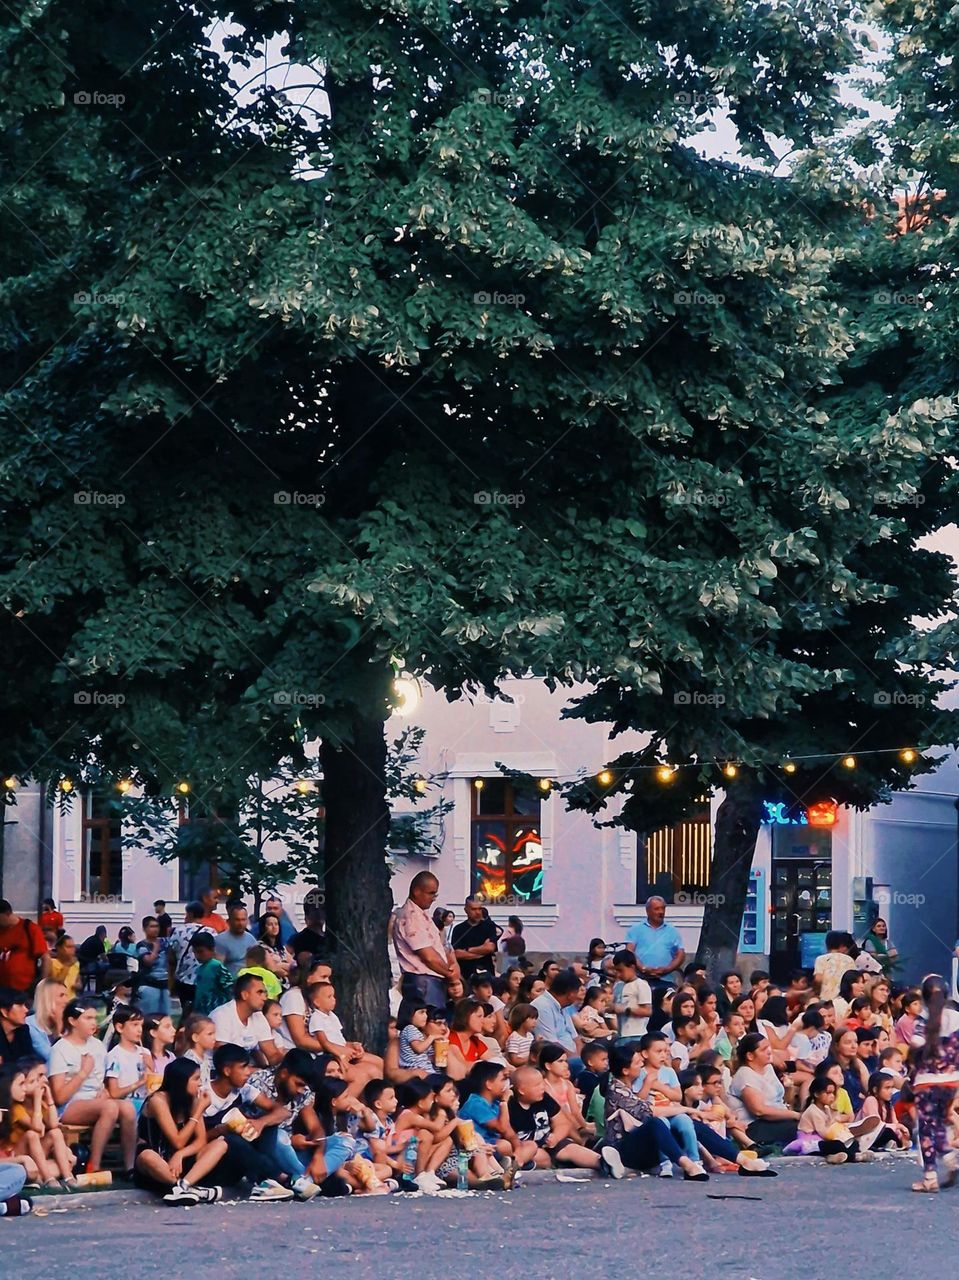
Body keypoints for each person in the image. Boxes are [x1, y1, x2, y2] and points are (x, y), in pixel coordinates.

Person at [49, 997, 135, 1174]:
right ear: (72, 1021)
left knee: (127, 1108)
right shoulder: (60, 1049)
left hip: (95, 1100)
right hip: (69, 1105)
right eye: (87, 1018)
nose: (93, 1023)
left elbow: (101, 1079)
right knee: (110, 1108)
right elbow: (59, 1097)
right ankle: (93, 1166)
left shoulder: (97, 1046)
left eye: (95, 1018)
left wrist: (103, 1089)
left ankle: (130, 1167)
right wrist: (82, 1073)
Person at [602, 1040, 708, 1180]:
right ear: (625, 1070)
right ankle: (687, 1164)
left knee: (689, 1123)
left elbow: (675, 1097)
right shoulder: (618, 1091)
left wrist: (688, 1112)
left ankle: (739, 1159)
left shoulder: (628, 1085)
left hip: (641, 1147)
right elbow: (651, 1111)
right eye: (637, 1062)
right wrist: (687, 1109)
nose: (641, 1064)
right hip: (624, 1150)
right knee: (656, 1122)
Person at [133, 1057, 227, 1204]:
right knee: (147, 1156)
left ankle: (184, 1186)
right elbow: (178, 1141)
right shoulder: (158, 1101)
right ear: (182, 1081)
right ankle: (191, 1190)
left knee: (221, 1144)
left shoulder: (192, 1100)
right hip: (157, 1165)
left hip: (180, 1164)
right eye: (196, 1079)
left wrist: (180, 1154)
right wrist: (198, 1111)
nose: (200, 1084)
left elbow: (201, 1140)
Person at [509, 1064, 623, 1176]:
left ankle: (603, 1162)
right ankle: (518, 1167)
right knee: (539, 1155)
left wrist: (556, 1137)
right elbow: (507, 1133)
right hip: (525, 1147)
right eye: (537, 1085)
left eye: (543, 1083)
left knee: (571, 1149)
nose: (542, 1087)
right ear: (522, 1090)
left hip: (548, 1141)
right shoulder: (510, 1105)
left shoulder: (544, 1098)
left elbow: (563, 1123)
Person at [909, 973, 959, 1192]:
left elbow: (915, 1045)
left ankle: (933, 1173)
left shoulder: (923, 1019)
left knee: (928, 1127)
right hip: (952, 1081)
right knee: (941, 1122)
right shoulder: (956, 1017)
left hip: (926, 1082)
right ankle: (948, 1157)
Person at [392, 873, 459, 1021]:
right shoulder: (411, 916)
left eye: (435, 894)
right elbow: (428, 956)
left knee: (437, 1027)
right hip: (422, 982)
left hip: (430, 980)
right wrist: (450, 974)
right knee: (432, 1027)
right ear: (417, 891)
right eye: (431, 893)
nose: (433, 898)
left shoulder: (421, 914)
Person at [727, 1032, 800, 1146]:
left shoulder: (768, 1067)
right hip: (754, 1126)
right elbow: (759, 1111)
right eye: (763, 1049)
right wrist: (794, 1115)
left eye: (768, 1047)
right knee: (801, 1126)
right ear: (750, 1056)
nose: (769, 1051)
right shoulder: (745, 1075)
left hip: (775, 1120)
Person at [211, 974, 282, 1066]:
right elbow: (224, 1059)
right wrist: (253, 1071)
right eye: (259, 992)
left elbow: (273, 1055)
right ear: (244, 995)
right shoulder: (222, 1016)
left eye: (265, 993)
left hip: (244, 1072)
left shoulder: (259, 1017)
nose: (265, 998)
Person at [273, 959, 333, 1053]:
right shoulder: (293, 996)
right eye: (323, 977)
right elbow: (300, 1040)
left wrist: (348, 1046)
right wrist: (335, 1048)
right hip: (296, 1055)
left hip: (318, 1052)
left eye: (329, 978)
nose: (328, 982)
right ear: (308, 977)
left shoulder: (316, 999)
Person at [624, 897, 686, 984]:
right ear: (648, 911)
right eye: (657, 909)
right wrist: (642, 968)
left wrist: (668, 969)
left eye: (663, 908)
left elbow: (681, 954)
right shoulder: (635, 929)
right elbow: (629, 951)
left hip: (666, 979)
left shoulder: (672, 931)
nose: (661, 912)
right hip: (640, 979)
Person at [0, 900, 49, 992]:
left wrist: (43, 986)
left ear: (7, 914)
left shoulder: (29, 928)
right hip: (3, 987)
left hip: (24, 988)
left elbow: (45, 958)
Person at [531, 969, 582, 1056]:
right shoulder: (541, 1007)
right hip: (558, 1060)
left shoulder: (564, 1006)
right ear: (570, 994)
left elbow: (576, 1038)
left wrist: (581, 1058)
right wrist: (576, 1060)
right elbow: (551, 1046)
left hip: (575, 1058)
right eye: (577, 992)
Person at [168, 901, 204, 1014]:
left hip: (184, 979)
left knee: (186, 1010)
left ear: (190, 914)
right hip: (203, 978)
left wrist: (171, 980)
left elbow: (171, 956)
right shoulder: (211, 931)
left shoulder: (179, 931)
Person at [450, 897, 499, 982]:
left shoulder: (489, 926)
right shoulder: (458, 929)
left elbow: (489, 948)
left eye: (480, 909)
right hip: (466, 974)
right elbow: (457, 953)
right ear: (466, 910)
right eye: (474, 909)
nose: (477, 912)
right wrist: (481, 952)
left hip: (486, 974)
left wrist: (468, 950)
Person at [190, 931, 235, 1016]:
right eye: (194, 952)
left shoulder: (216, 966)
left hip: (217, 1012)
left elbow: (230, 990)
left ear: (212, 949)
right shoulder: (200, 968)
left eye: (200, 952)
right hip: (203, 1012)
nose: (197, 956)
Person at [611, 949, 652, 1040]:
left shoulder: (641, 985)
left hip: (636, 1035)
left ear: (632, 967)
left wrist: (625, 1010)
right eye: (616, 971)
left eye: (621, 970)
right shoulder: (618, 985)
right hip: (621, 1034)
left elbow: (647, 1011)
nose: (618, 974)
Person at [135, 916, 171, 1016]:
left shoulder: (165, 942)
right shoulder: (141, 945)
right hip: (149, 984)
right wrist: (155, 949)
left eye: (157, 926)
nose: (155, 929)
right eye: (152, 926)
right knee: (150, 1016)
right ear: (144, 929)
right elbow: (148, 961)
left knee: (165, 1016)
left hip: (164, 985)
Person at [26, 979, 68, 1063]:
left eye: (67, 995)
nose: (66, 1000)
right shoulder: (30, 1025)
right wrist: (58, 1026)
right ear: (47, 998)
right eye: (61, 995)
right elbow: (53, 1057)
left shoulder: (69, 1022)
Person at [215, 902, 257, 978]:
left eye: (243, 920)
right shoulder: (220, 940)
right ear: (229, 922)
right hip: (230, 984)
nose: (240, 923)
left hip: (248, 982)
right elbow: (217, 969)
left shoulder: (251, 939)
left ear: (247, 921)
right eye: (237, 920)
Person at [289, 891, 329, 972]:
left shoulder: (329, 937)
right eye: (315, 909)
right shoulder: (301, 939)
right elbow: (305, 964)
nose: (319, 913)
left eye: (323, 908)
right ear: (307, 912)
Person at [813, 931, 857, 1001]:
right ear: (841, 944)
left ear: (827, 944)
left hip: (826, 1000)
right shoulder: (849, 960)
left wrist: (816, 993)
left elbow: (818, 979)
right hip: (845, 1000)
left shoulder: (821, 959)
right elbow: (854, 980)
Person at [0, 990, 33, 1067]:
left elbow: (31, 1061)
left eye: (25, 1005)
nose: (26, 1010)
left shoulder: (23, 1030)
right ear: (4, 1012)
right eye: (20, 1005)